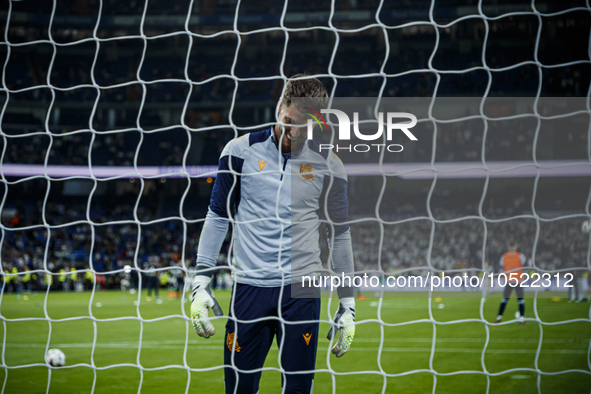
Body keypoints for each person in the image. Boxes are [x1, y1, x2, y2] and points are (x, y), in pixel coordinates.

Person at [190, 74, 356, 394]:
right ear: (280, 107)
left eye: (305, 127)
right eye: (289, 121)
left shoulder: (330, 164)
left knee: (297, 390)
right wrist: (200, 281)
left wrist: (347, 302)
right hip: (250, 288)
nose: (295, 132)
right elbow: (217, 217)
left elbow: (340, 235)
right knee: (239, 388)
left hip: (301, 292)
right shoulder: (239, 151)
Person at [494, 240, 527, 325]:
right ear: (516, 247)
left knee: (504, 299)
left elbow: (501, 266)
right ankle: (522, 318)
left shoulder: (504, 256)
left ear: (508, 247)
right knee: (520, 300)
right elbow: (525, 265)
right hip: (518, 281)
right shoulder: (520, 256)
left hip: (508, 280)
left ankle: (499, 317)